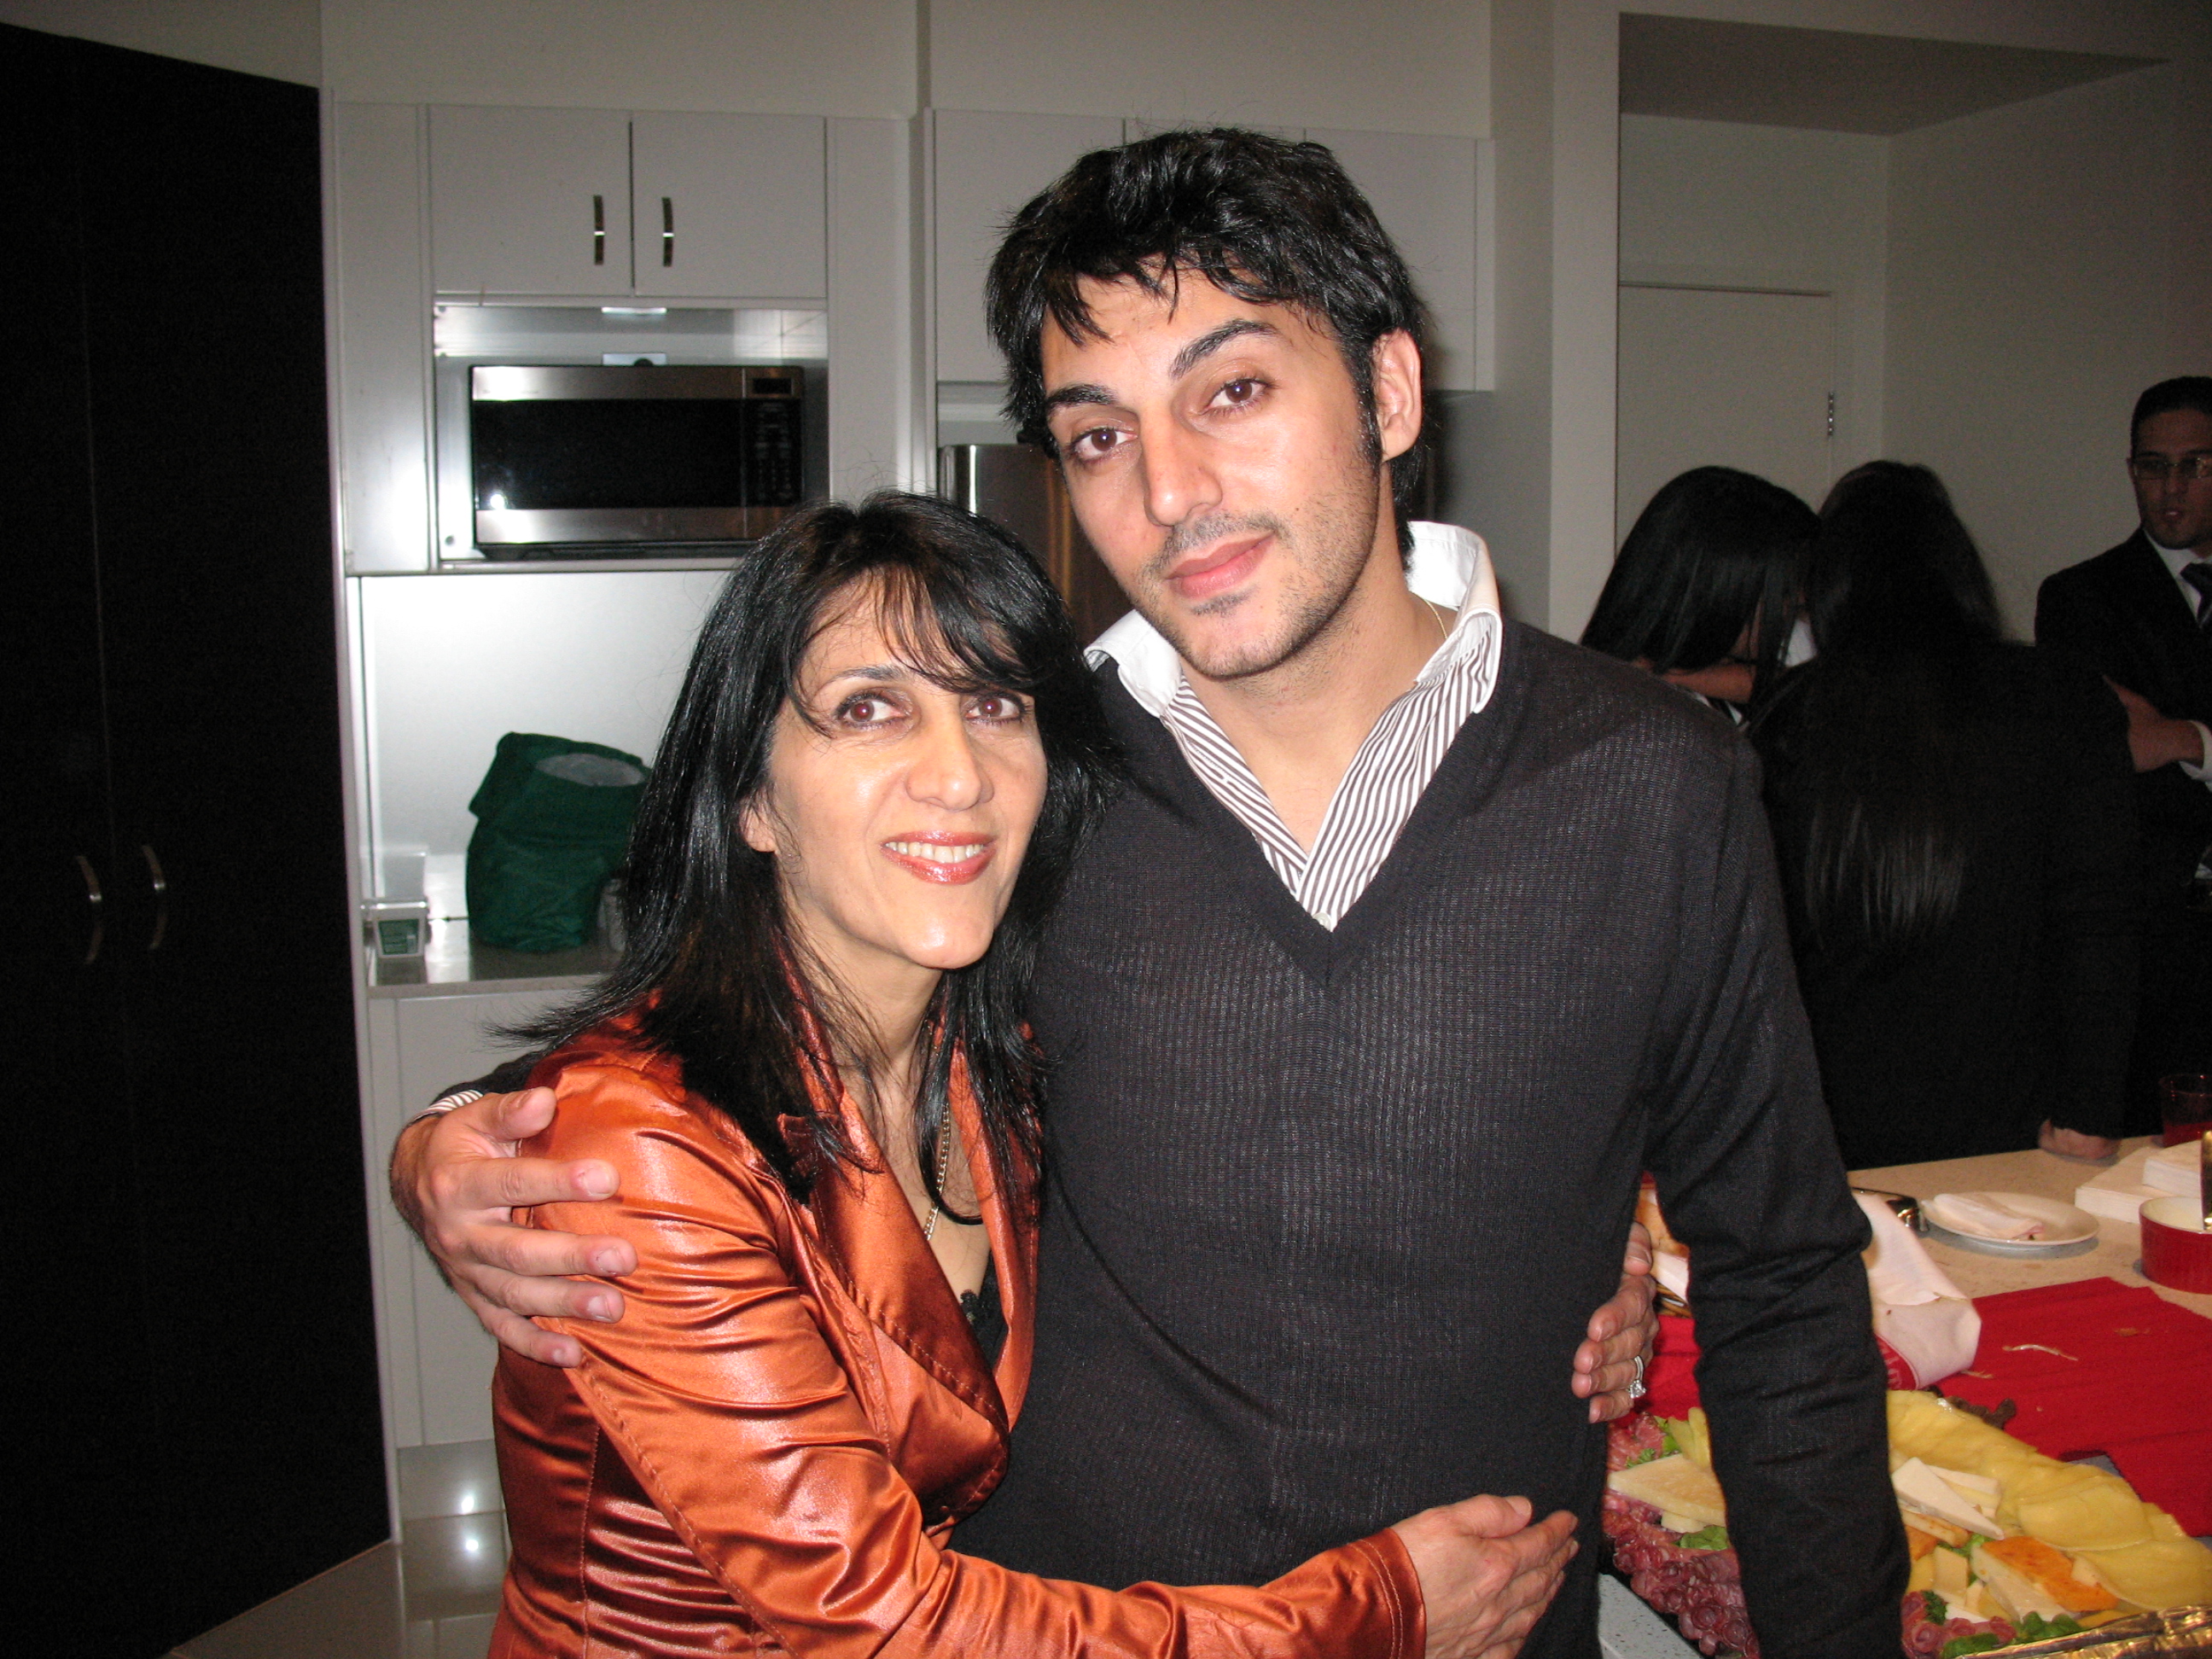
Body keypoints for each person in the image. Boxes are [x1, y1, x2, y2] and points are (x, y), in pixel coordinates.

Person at [397, 130, 1903, 1658]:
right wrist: (459, 1145)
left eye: (1232, 390)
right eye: (1100, 434)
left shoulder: (1652, 783)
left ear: (1388, 393)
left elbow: (1782, 1278)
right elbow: (747, 1026)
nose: (1170, 489)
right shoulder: (1029, 779)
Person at [485, 491, 1575, 1656]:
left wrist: (1563, 1256)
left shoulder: (992, 1060)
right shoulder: (638, 1151)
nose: (959, 774)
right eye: (869, 709)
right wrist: (1380, 1612)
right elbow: (885, 1626)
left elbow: (1275, 1156)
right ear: (750, 797)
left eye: (994, 704)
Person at [1752, 462, 2138, 1168]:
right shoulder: (2061, 699)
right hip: (2013, 1114)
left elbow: (1760, 946)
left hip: (1833, 1120)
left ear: (1828, 588)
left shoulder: (1793, 716)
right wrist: (2090, 1105)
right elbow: (2097, 916)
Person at [2034, 376, 2212, 1127]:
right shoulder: (2084, 598)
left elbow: (2158, 748)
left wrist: (2187, 738)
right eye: (2152, 466)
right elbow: (2108, 764)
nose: (2170, 489)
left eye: (2194, 465)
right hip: (2152, 942)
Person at [1580, 466, 1815, 719]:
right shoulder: (1634, 708)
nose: (1801, 600)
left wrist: (1684, 675)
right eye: (1785, 591)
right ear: (1724, 593)